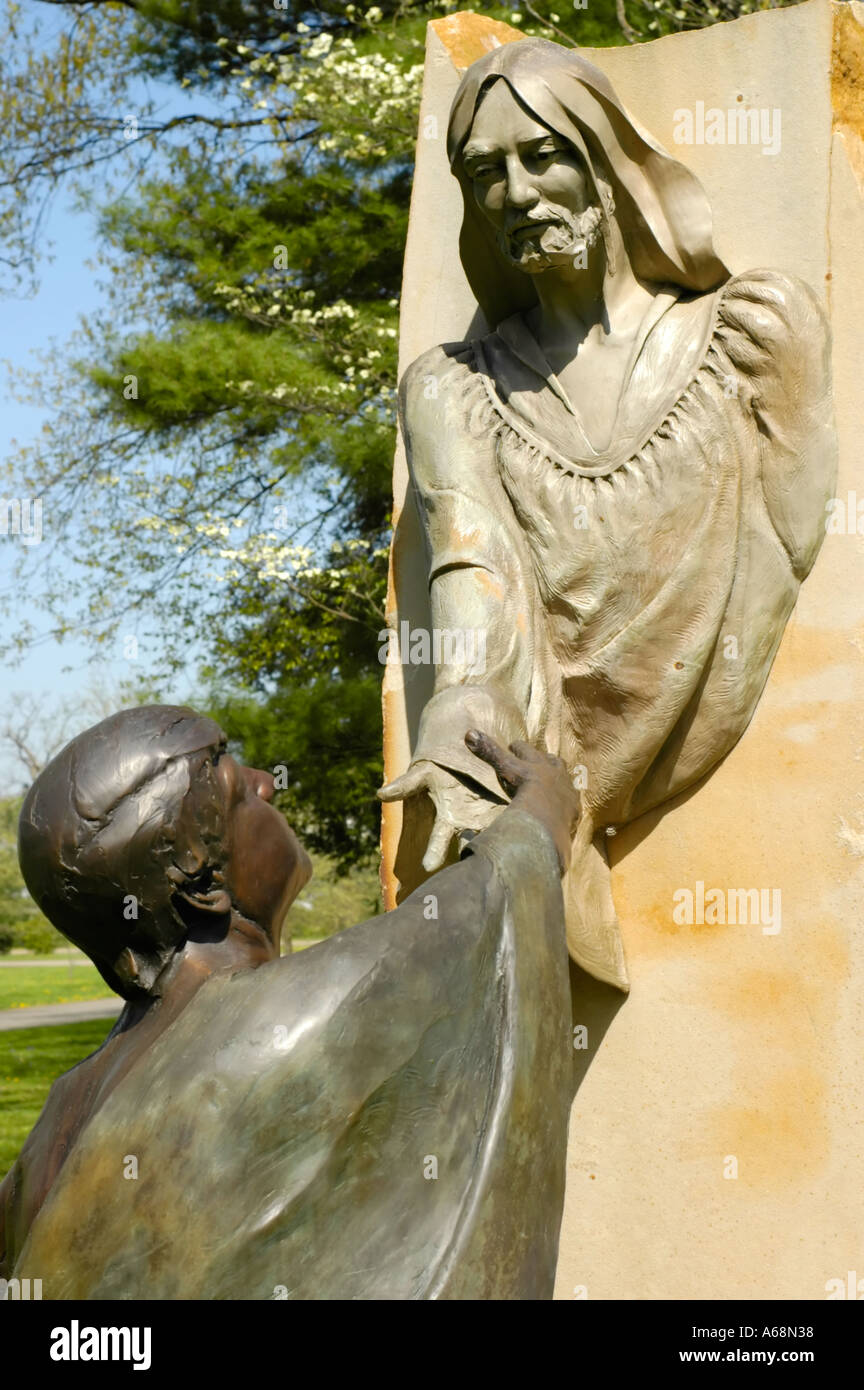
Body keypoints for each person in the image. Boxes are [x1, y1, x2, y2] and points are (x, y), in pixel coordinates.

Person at [381, 37, 836, 990]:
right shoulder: (452, 392)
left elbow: (791, 542)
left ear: (604, 161)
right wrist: (463, 703)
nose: (515, 192)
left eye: (541, 154)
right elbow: (469, 562)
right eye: (485, 171)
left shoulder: (755, 337)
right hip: (537, 744)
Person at [0, 705, 578, 1300]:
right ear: (201, 884)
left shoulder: (57, 1118)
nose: (266, 781)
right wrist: (544, 809)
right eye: (235, 783)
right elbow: (490, 905)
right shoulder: (285, 1017)